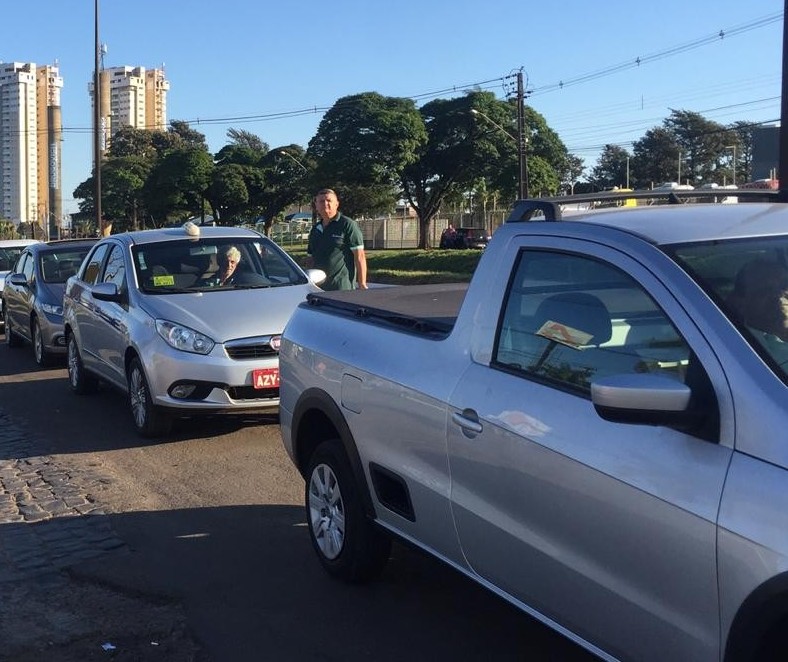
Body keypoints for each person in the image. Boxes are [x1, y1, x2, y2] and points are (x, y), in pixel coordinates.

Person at [307, 188, 367, 290]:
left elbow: (360, 256)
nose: (325, 203)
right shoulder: (315, 229)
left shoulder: (347, 225)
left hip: (341, 288)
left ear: (336, 204)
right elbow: (310, 258)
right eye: (321, 201)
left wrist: (362, 284)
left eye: (329, 201)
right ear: (316, 206)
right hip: (317, 288)